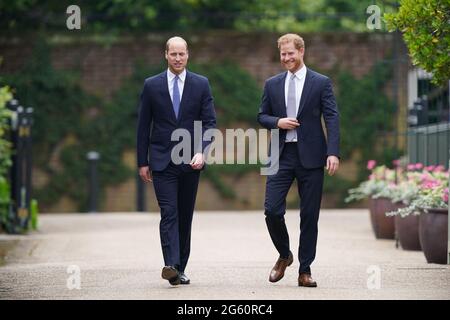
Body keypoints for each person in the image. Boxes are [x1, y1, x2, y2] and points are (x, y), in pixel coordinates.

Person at [257, 33, 340, 287]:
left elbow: (332, 117)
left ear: (301, 51)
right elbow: (262, 116)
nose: (286, 58)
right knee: (271, 210)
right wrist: (277, 122)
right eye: (283, 54)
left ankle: (305, 270)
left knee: (309, 215)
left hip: (312, 156)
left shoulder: (320, 82)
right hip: (280, 154)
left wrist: (333, 152)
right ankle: (285, 254)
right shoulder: (272, 84)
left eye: (290, 53)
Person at [137, 36, 216, 286]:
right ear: (166, 55)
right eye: (174, 54)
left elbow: (210, 124)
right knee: (168, 212)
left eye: (182, 54)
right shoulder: (152, 85)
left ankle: (180, 267)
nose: (178, 58)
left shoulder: (201, 84)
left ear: (188, 55)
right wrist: (142, 161)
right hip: (161, 162)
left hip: (191, 161)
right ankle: (170, 264)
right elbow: (143, 127)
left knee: (184, 216)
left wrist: (203, 152)